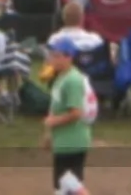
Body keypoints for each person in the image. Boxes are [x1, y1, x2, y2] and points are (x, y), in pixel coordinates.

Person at [43, 35, 95, 195]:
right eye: (52, 55)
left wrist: (53, 122)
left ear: (69, 57)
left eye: (57, 56)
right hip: (63, 141)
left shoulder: (72, 80)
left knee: (68, 183)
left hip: (72, 141)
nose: (53, 59)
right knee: (63, 187)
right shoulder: (61, 78)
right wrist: (49, 134)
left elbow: (76, 112)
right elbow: (55, 107)